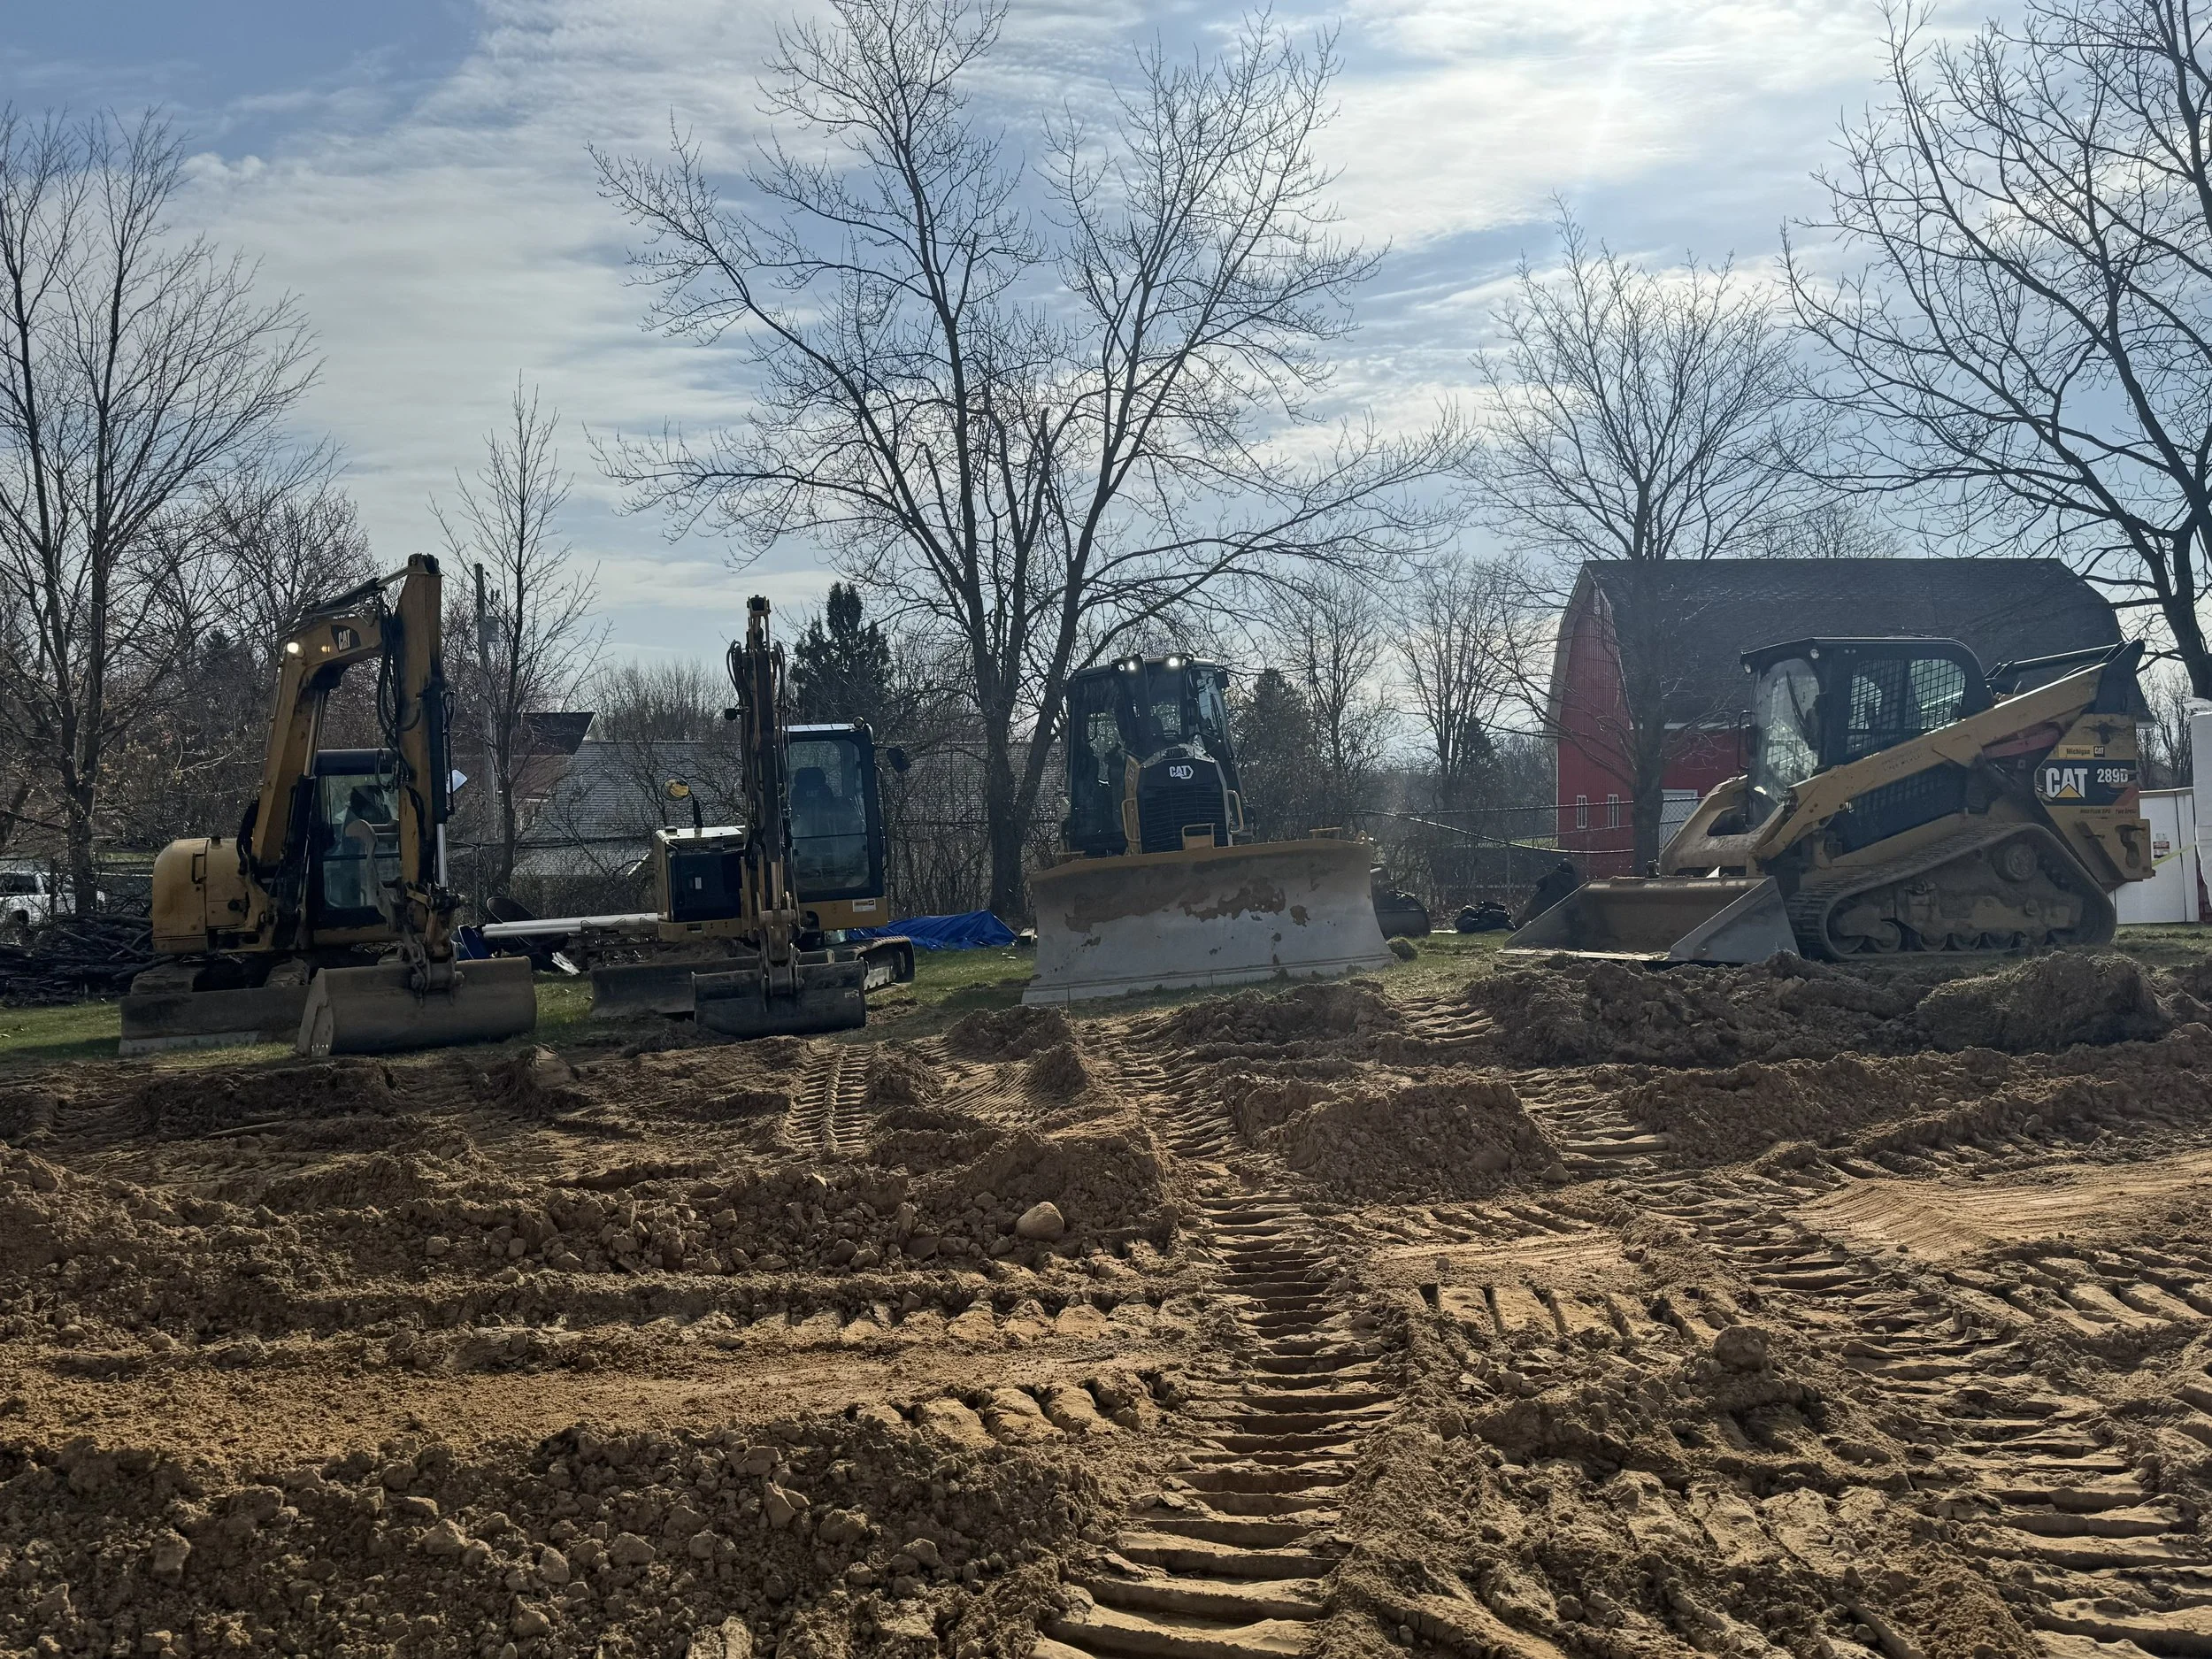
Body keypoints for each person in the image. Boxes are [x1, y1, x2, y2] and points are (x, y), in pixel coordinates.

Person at [1513, 859, 1582, 930]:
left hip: (1542, 908)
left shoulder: (1552, 876)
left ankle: (1518, 925)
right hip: (1561, 912)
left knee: (1534, 905)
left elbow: (1539, 883)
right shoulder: (1573, 883)